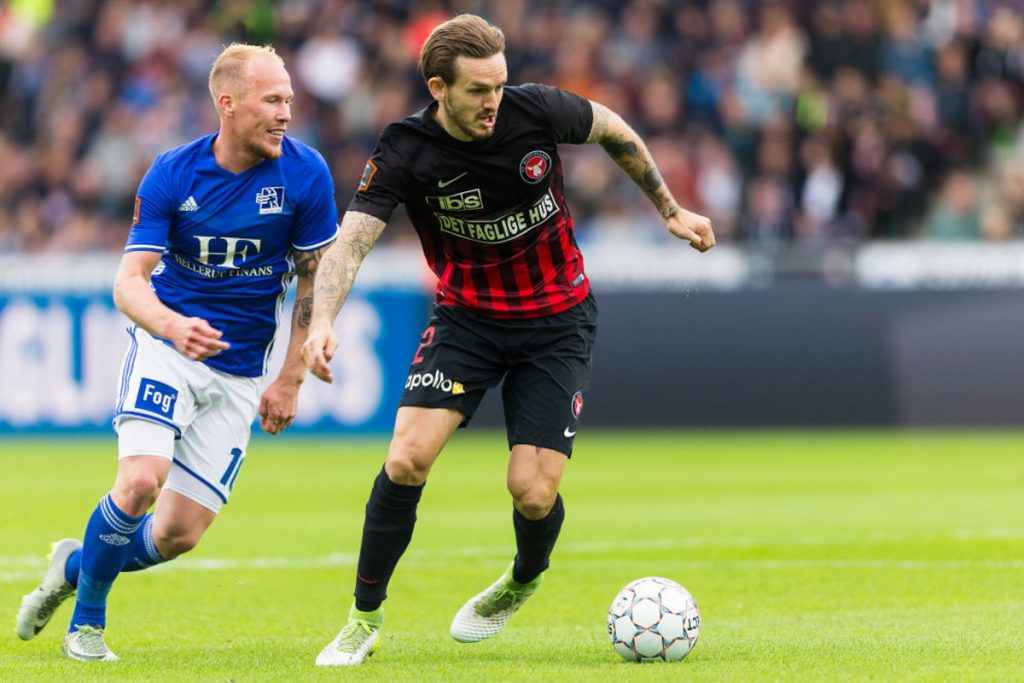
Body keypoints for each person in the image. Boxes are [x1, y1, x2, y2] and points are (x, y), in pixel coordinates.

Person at [302, 14, 714, 667]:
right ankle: (363, 619)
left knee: (532, 489)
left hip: (558, 320)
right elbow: (352, 240)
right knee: (407, 457)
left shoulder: (536, 109)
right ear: (438, 87)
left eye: (499, 83)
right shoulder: (406, 147)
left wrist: (670, 208)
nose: (494, 99)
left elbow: (615, 130)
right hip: (468, 319)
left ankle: (523, 576)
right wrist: (322, 321)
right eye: (477, 89)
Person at [15, 43, 338, 661]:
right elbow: (128, 282)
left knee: (177, 534)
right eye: (272, 100)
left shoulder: (306, 173)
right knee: (140, 481)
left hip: (241, 369)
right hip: (166, 348)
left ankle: (75, 565)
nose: (286, 114)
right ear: (228, 104)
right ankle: (86, 627)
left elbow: (313, 279)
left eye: (289, 101)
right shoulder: (174, 171)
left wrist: (290, 377)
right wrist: (171, 327)